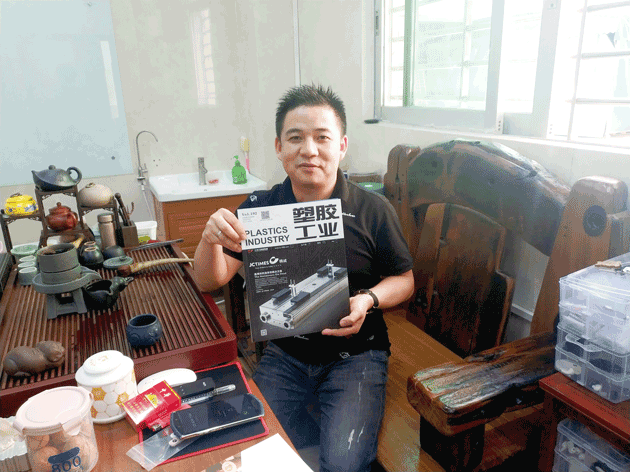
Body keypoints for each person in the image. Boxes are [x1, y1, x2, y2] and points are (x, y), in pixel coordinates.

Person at [193, 84, 414, 472]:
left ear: (342, 146)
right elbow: (209, 280)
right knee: (246, 456)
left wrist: (368, 299)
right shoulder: (260, 209)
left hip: (357, 356)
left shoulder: (372, 209)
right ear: (279, 148)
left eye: (322, 137)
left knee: (344, 465)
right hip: (286, 354)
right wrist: (209, 239)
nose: (309, 150)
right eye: (295, 138)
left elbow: (405, 279)